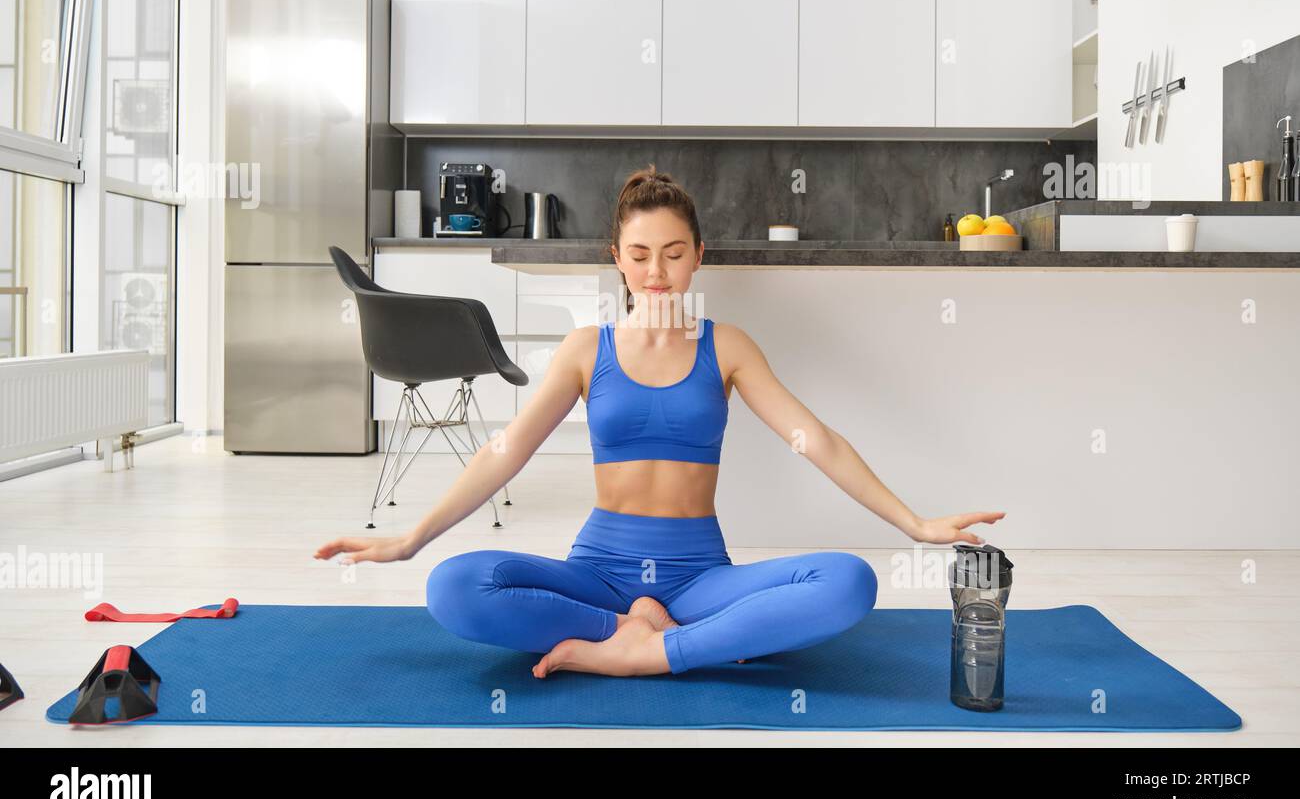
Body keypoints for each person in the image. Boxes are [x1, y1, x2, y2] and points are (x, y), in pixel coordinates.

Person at [315, 165, 1005, 678]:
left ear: (698, 256)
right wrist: (413, 537)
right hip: (598, 571)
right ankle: (636, 630)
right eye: (640, 255)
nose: (656, 271)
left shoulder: (727, 346)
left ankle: (644, 653)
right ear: (617, 259)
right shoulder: (587, 350)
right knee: (453, 585)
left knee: (850, 581)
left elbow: (815, 440)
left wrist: (914, 524)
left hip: (700, 577)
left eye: (674, 254)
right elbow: (507, 450)